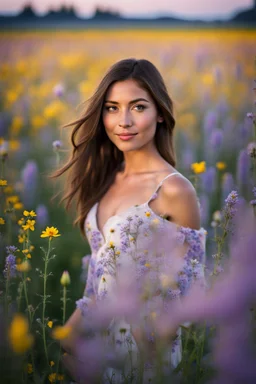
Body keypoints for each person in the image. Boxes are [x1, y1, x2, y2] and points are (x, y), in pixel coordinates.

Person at [55, 58, 207, 383]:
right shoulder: (108, 178)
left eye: (138, 107)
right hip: (101, 353)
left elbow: (192, 288)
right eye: (112, 108)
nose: (123, 121)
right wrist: (66, 339)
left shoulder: (174, 190)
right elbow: (99, 278)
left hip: (150, 359)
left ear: (161, 113)